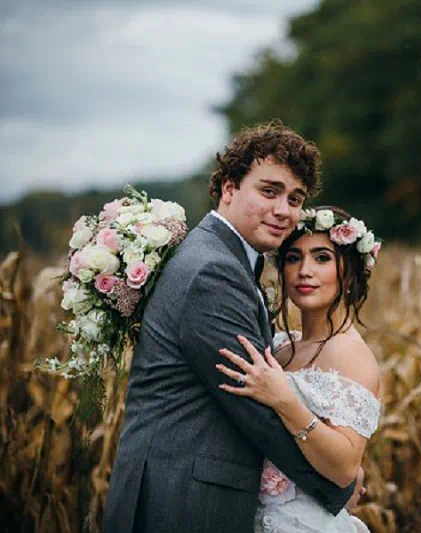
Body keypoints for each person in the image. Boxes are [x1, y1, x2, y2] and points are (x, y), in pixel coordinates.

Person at [103, 122, 356, 533]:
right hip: (181, 499)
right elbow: (252, 405)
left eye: (295, 199)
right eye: (269, 191)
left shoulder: (224, 258)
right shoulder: (212, 271)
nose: (283, 211)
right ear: (229, 189)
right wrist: (336, 481)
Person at [216, 206, 381, 533]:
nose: (305, 270)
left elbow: (345, 468)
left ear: (348, 271)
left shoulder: (350, 353)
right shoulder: (280, 346)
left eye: (322, 258)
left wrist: (284, 399)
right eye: (293, 258)